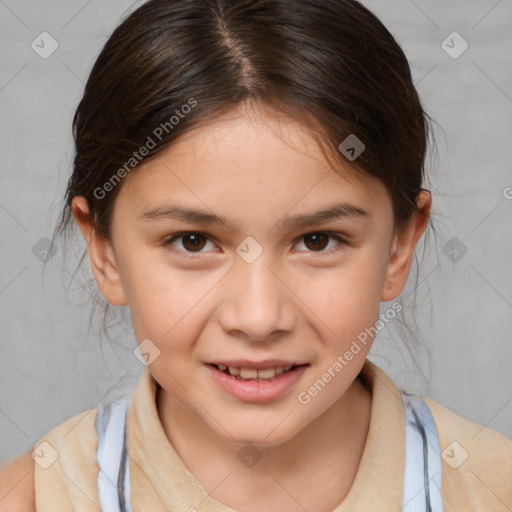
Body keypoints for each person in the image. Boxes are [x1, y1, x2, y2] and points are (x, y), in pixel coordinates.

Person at [1, 0, 511, 510]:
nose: (259, 318)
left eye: (318, 240)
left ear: (399, 247)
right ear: (104, 250)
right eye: (193, 241)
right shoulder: (30, 498)